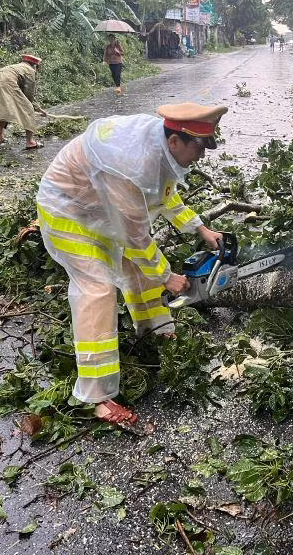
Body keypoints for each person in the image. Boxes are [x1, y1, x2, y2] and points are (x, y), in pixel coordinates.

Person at [36, 102, 227, 427]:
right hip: (68, 213)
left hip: (101, 214)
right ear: (175, 141)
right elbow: (135, 235)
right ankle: (97, 397)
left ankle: (156, 330)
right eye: (197, 148)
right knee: (97, 290)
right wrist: (168, 277)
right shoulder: (130, 163)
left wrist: (200, 228)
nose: (201, 157)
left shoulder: (158, 146)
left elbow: (165, 194)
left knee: (139, 270)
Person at [0, 54, 47, 150]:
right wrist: (37, 108)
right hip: (7, 82)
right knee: (28, 108)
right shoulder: (30, 70)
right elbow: (28, 95)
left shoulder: (18, 67)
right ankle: (30, 142)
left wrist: (39, 109)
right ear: (35, 65)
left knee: (3, 108)